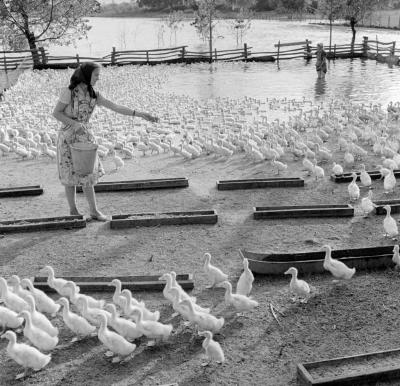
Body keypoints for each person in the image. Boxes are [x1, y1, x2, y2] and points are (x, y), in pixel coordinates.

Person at [53, 62, 158, 221]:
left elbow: (115, 107)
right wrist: (75, 124)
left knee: (88, 174)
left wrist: (140, 114)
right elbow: (56, 113)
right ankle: (73, 211)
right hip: (67, 138)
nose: (98, 79)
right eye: (96, 75)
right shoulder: (68, 92)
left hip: (85, 137)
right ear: (87, 75)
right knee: (69, 175)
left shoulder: (94, 94)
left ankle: (94, 211)